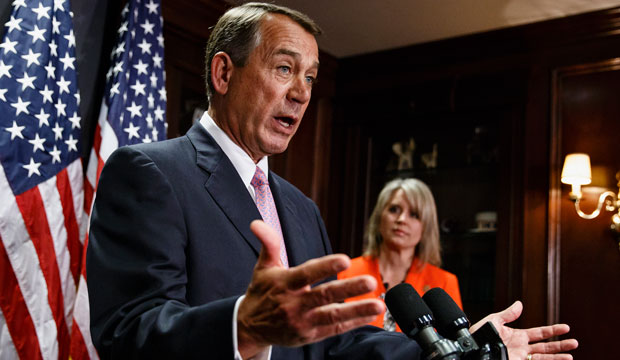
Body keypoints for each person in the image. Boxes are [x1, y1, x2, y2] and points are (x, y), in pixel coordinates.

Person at [87, 2, 578, 359]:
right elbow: (128, 332)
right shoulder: (150, 172)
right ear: (223, 73)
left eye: (311, 78)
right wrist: (242, 327)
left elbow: (339, 339)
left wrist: (455, 348)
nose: (301, 93)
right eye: (284, 69)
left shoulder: (301, 209)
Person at [339, 178, 462, 332]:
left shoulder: (444, 282)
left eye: (414, 214)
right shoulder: (345, 272)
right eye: (394, 209)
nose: (401, 219)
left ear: (426, 227)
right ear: (379, 217)